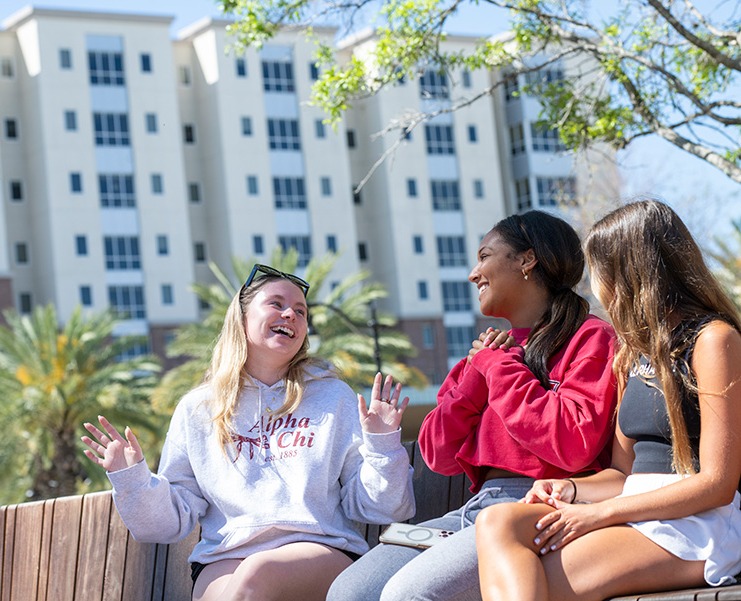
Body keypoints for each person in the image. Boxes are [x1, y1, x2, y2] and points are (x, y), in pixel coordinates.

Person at [327, 211, 619, 601]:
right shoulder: (483, 358)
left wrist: (497, 368)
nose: (473, 273)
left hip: (544, 507)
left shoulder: (590, 338)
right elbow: (436, 454)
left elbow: (570, 443)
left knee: (407, 596)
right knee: (349, 593)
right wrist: (476, 380)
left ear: (526, 260)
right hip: (475, 510)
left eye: (485, 256)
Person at [82, 264, 416, 601]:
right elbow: (167, 523)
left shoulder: (333, 397)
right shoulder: (198, 408)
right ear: (241, 320)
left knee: (257, 573)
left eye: (301, 311)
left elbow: (384, 510)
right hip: (224, 557)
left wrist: (383, 445)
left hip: (321, 549)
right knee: (242, 581)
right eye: (276, 303)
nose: (291, 314)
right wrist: (131, 479)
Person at [475, 199, 741, 601]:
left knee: (534, 582)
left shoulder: (713, 340)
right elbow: (621, 475)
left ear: (633, 273)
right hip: (634, 511)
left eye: (602, 274)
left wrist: (599, 514)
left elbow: (717, 484)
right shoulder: (633, 355)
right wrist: (568, 490)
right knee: (498, 523)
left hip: (694, 523)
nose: (598, 289)